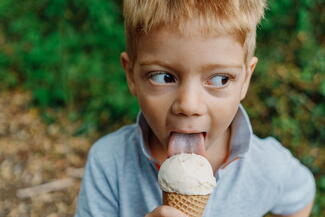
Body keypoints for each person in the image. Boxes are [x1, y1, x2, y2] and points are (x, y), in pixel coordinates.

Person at [75, 0, 316, 216]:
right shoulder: (109, 163)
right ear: (131, 75)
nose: (189, 105)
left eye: (220, 79)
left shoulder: (266, 165)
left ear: (245, 80)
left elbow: (302, 193)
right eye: (162, 77)